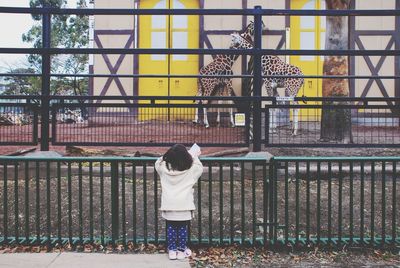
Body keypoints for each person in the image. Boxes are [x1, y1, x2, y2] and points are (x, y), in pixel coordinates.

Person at [155, 144, 203, 260]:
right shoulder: (191, 170)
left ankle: (172, 250)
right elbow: (199, 167)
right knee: (182, 229)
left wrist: (165, 156)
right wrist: (194, 156)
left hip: (169, 204)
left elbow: (158, 163)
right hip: (184, 204)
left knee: (171, 228)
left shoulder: (164, 169)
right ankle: (181, 250)